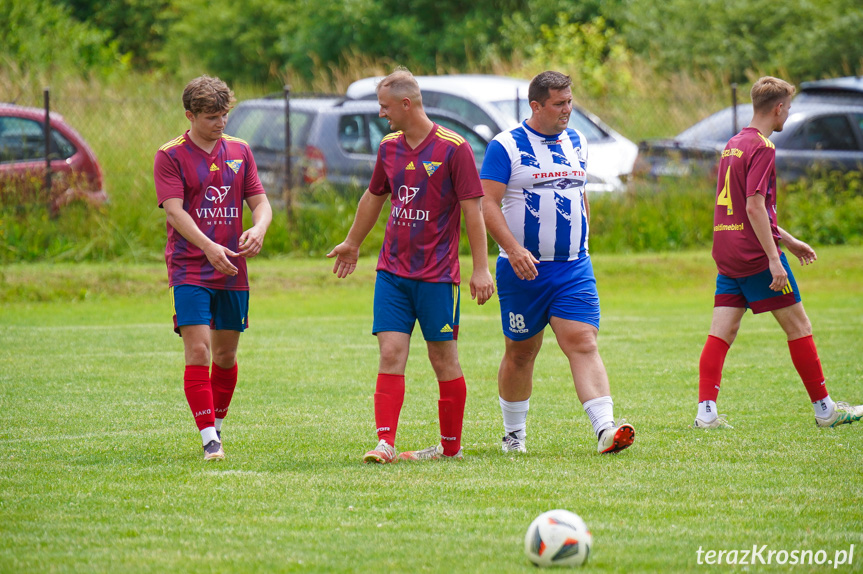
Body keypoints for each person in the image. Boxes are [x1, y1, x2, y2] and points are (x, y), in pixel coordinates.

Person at [327, 68, 495, 463]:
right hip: (392, 273)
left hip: (437, 276)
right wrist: (352, 243)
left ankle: (449, 448)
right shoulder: (388, 147)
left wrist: (481, 268)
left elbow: (474, 211)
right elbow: (373, 197)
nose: (381, 114)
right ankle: (385, 442)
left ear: (406, 104)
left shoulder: (455, 149)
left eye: (385, 107)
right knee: (390, 353)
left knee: (443, 357)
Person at [479, 70, 635, 455]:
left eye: (570, 102)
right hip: (522, 271)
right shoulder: (506, 146)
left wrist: (583, 237)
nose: (568, 110)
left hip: (572, 267)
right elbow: (486, 203)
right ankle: (514, 436)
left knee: (583, 341)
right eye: (559, 103)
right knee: (521, 352)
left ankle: (605, 430)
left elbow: (578, 192)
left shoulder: (577, 141)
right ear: (536, 105)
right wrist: (514, 249)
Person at [694, 76, 863, 429]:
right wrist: (775, 258)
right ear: (777, 108)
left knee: (721, 332)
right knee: (799, 326)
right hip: (755, 256)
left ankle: (705, 413)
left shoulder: (733, 144)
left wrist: (788, 240)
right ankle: (825, 409)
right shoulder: (763, 148)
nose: (790, 112)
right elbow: (755, 207)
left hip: (728, 252)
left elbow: (743, 209)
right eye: (789, 107)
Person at [154, 75, 272, 460]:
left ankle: (217, 426)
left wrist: (259, 227)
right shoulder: (170, 155)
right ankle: (209, 440)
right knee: (200, 351)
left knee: (225, 356)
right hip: (190, 267)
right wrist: (207, 247)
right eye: (211, 117)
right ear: (190, 115)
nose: (220, 123)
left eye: (224, 115)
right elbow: (174, 212)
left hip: (232, 268)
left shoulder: (240, 151)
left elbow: (261, 202)